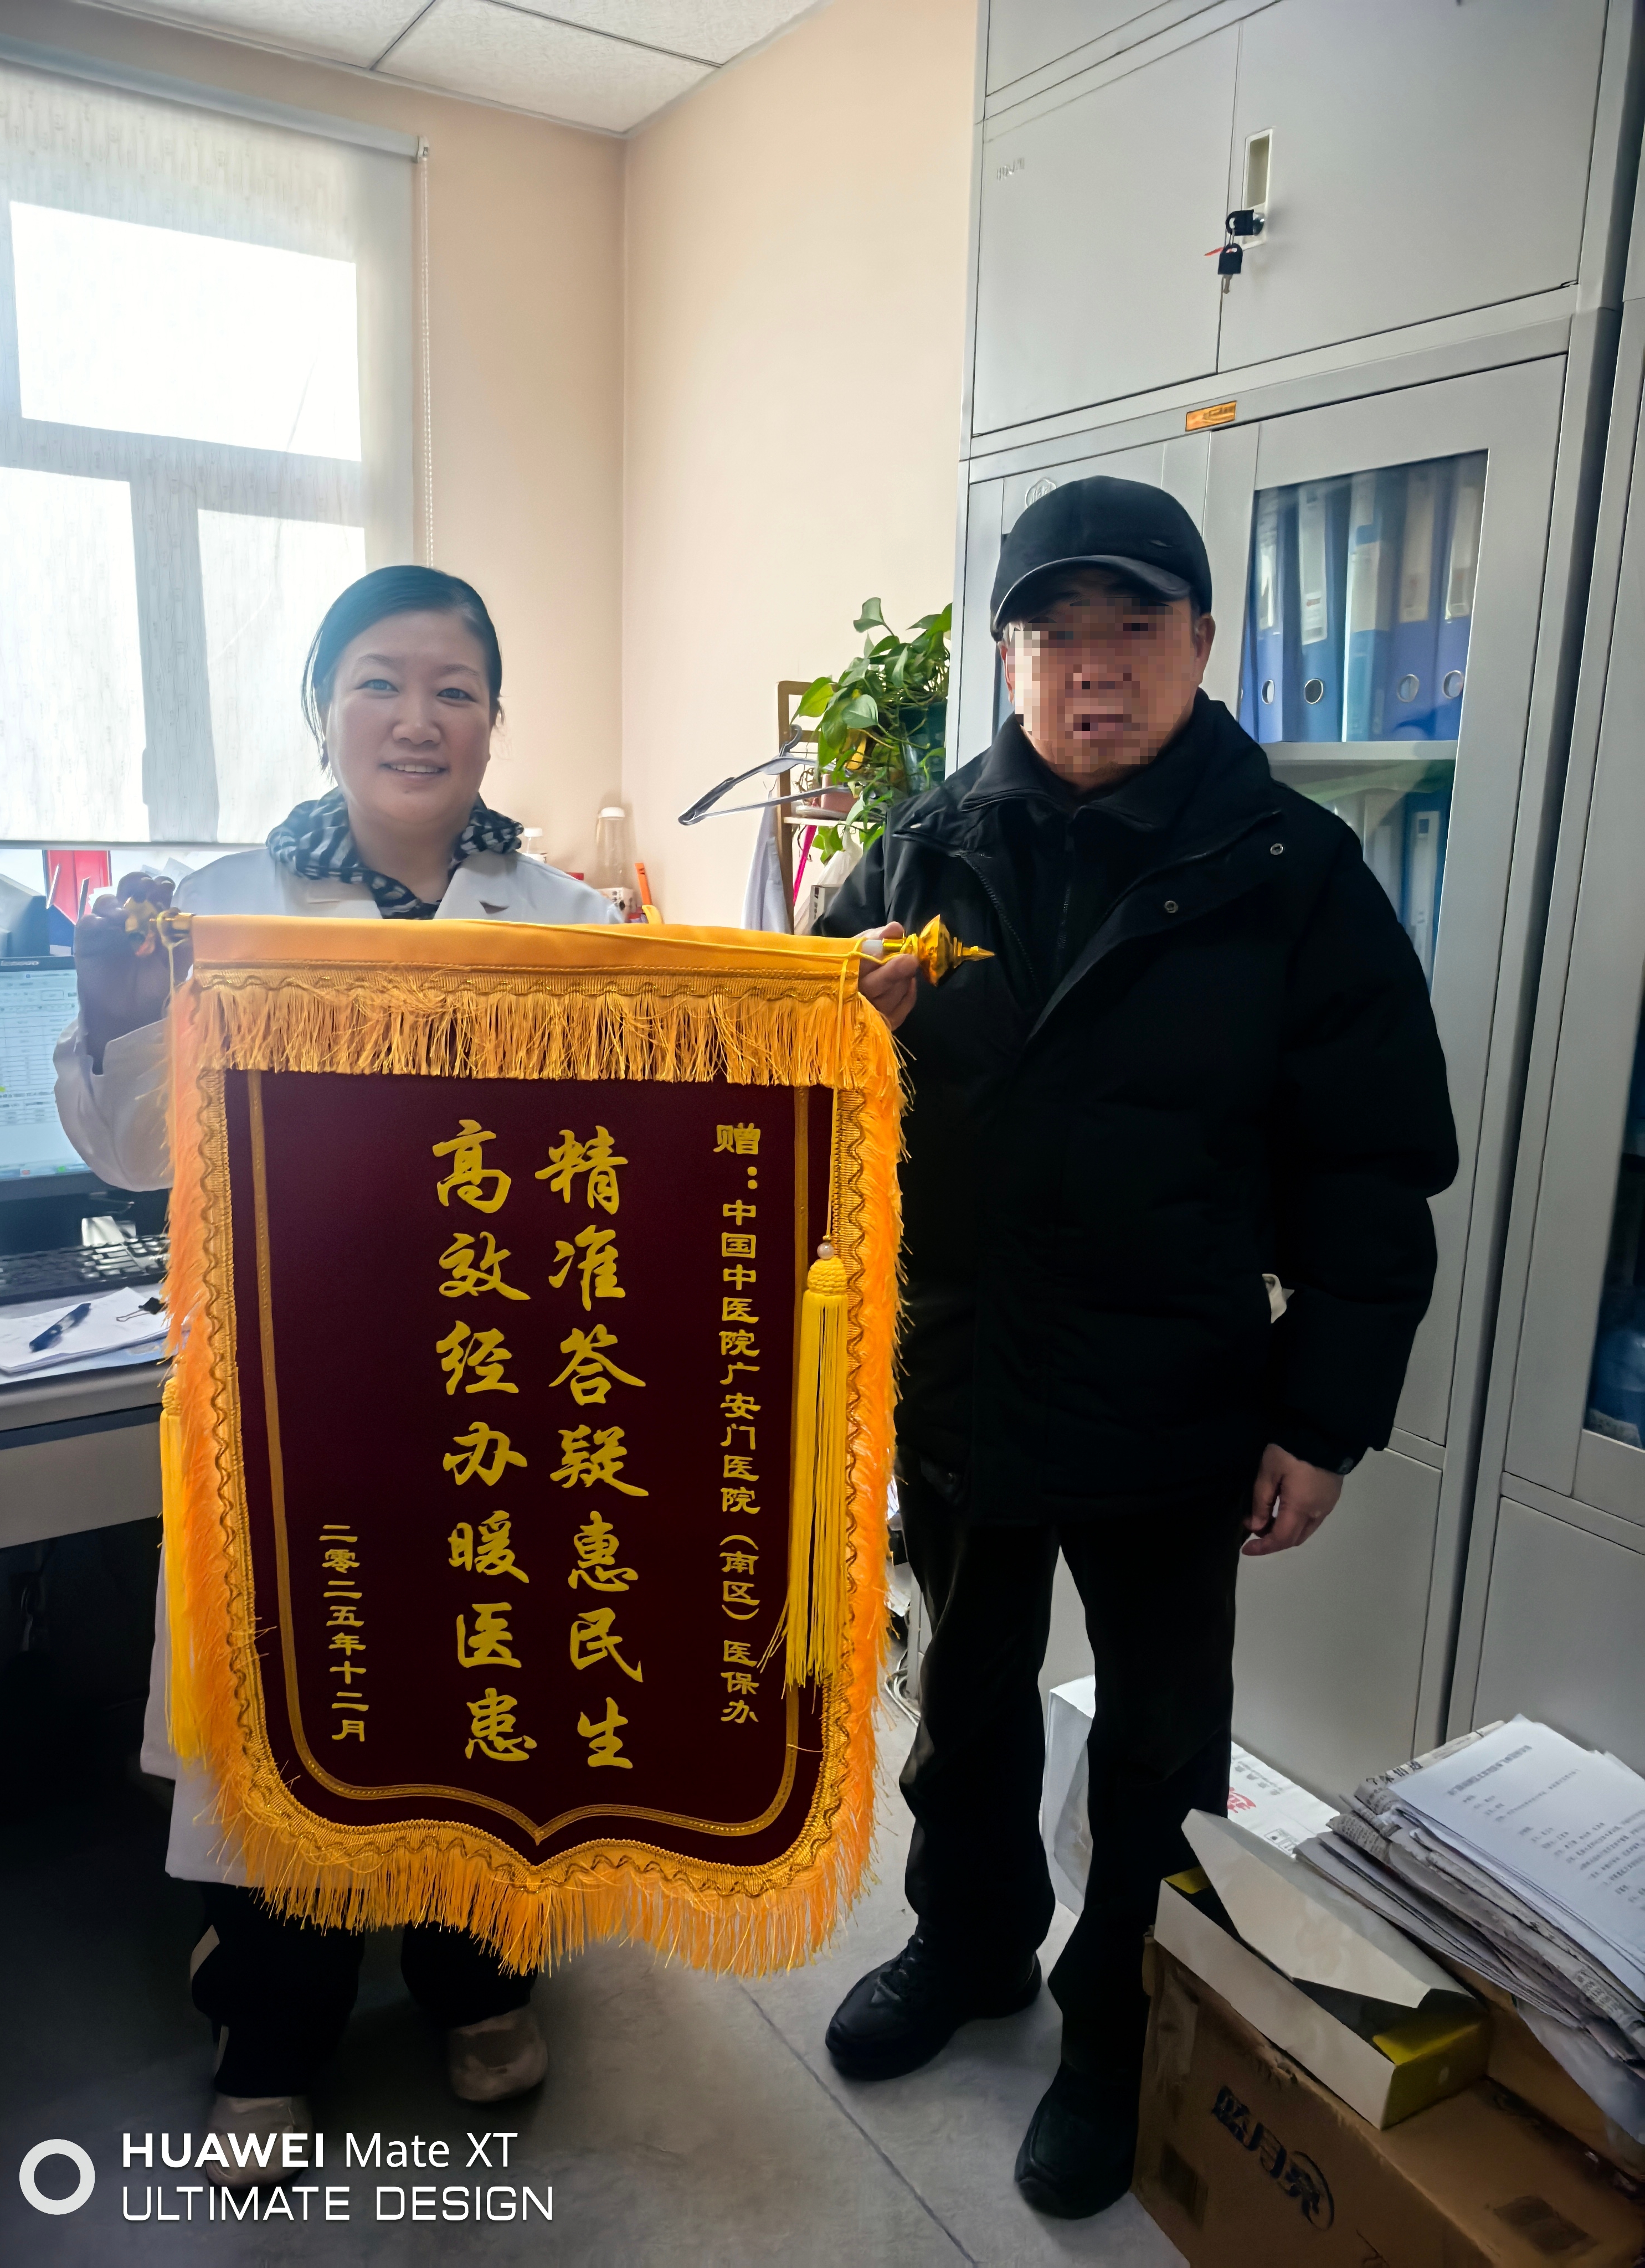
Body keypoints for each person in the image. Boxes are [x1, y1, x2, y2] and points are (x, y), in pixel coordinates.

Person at [818, 478, 1458, 2218]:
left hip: (1176, 1391)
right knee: (962, 1700)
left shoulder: (1292, 873)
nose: (1092, 668)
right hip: (965, 1371)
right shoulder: (927, 848)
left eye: (1133, 628)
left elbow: (1372, 1165)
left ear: (1202, 643)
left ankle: (1119, 2025)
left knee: (1162, 1745)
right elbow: (788, 1075)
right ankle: (969, 1949)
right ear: (1009, 660)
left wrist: (1321, 1418)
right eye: (1055, 634)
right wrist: (842, 1014)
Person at [54, 564, 618, 2174]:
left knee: (479, 1694)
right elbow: (137, 1160)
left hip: (494, 1394)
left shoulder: (571, 921)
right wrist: (116, 1013)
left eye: (455, 689)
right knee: (291, 1701)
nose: (417, 719)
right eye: (380, 681)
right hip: (285, 1405)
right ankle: (276, 2026)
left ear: (494, 721)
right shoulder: (219, 907)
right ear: (321, 710)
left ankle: (476, 1979)